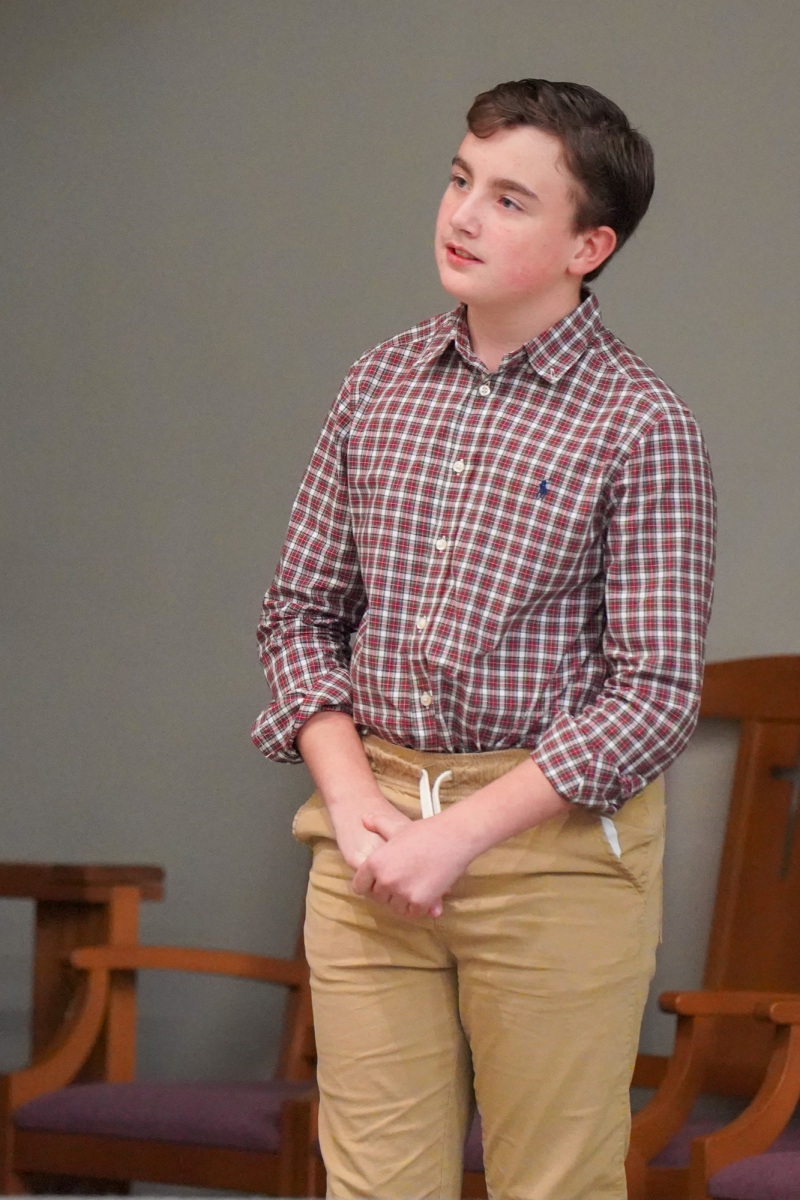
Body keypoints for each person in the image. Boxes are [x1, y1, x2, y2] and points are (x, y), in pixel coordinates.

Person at [253, 78, 716, 1200]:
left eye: (510, 199)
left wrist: (458, 836)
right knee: (373, 1186)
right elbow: (299, 616)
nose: (462, 215)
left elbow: (654, 694)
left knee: (551, 1185)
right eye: (460, 179)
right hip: (368, 839)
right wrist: (351, 799)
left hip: (549, 851)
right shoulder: (376, 385)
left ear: (588, 246)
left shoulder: (641, 425)